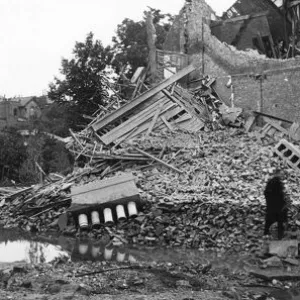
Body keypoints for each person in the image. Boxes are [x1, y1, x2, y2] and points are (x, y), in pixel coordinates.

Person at [264, 169, 289, 239]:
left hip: (272, 206)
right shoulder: (277, 182)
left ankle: (268, 235)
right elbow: (280, 195)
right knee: (279, 222)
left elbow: (266, 193)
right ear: (277, 174)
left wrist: (269, 202)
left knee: (270, 221)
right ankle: (279, 237)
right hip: (278, 207)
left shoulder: (271, 182)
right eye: (281, 174)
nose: (283, 175)